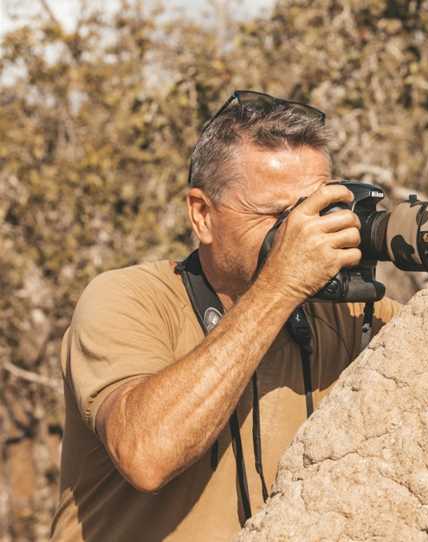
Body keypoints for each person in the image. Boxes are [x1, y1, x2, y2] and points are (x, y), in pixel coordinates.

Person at [50, 90, 400, 541]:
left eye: (319, 210)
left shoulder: (349, 315)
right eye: (277, 214)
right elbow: (146, 453)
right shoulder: (127, 298)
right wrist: (281, 287)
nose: (302, 231)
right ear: (202, 215)